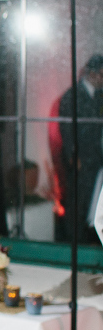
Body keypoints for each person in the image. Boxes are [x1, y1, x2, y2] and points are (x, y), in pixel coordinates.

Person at [57, 54, 103, 243]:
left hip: (96, 160)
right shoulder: (72, 96)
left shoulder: (100, 96)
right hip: (80, 161)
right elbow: (66, 130)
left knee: (93, 205)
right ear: (91, 74)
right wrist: (73, 156)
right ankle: (74, 245)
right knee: (78, 204)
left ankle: (89, 242)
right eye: (101, 74)